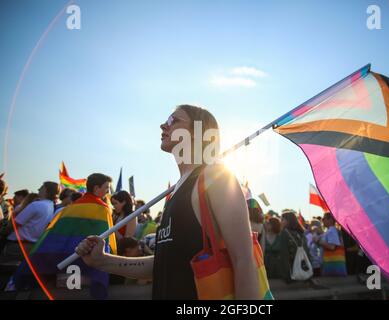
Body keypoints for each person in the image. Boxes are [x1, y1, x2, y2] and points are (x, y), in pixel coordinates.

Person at [76, 104, 260, 299]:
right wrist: (101, 260)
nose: (163, 125)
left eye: (174, 121)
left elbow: (243, 261)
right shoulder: (174, 192)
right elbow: (165, 264)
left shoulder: (216, 178)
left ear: (198, 133)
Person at [4, 182, 59, 256]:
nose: (38, 189)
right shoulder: (50, 206)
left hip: (18, 245)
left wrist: (2, 234)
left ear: (47, 191)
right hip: (31, 246)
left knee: (7, 266)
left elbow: (15, 224)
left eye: (42, 187)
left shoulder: (36, 205)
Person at [319, 212, 347, 276]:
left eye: (324, 218)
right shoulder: (331, 230)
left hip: (331, 264)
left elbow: (332, 247)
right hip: (332, 263)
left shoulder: (332, 231)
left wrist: (320, 242)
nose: (322, 220)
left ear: (331, 220)